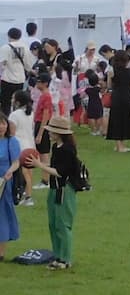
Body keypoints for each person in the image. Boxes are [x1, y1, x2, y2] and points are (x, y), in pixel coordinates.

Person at [36, 114, 83, 270]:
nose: (49, 133)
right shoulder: (56, 147)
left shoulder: (68, 150)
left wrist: (39, 164)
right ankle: (57, 256)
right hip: (54, 188)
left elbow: (60, 172)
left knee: (63, 225)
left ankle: (65, 258)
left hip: (64, 189)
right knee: (53, 223)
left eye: (51, 131)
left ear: (59, 133)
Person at [0, 111, 19, 262]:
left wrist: (9, 172)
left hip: (3, 183)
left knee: (3, 215)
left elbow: (16, 162)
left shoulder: (11, 141)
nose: (1, 127)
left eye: (3, 123)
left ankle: (1, 252)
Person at [2, 27, 32, 114]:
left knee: (6, 102)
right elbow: (28, 65)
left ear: (9, 36)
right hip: (20, 79)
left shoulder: (5, 48)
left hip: (7, 79)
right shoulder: (25, 48)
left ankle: (6, 120)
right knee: (18, 102)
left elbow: (2, 63)